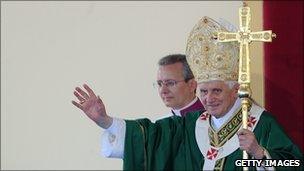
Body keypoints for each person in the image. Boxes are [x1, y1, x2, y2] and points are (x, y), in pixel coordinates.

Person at [72, 16, 303, 170]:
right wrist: (105, 121)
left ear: (235, 90)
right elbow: (150, 138)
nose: (208, 99)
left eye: (216, 91)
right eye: (204, 91)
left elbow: (295, 164)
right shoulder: (192, 124)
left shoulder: (260, 122)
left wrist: (259, 152)